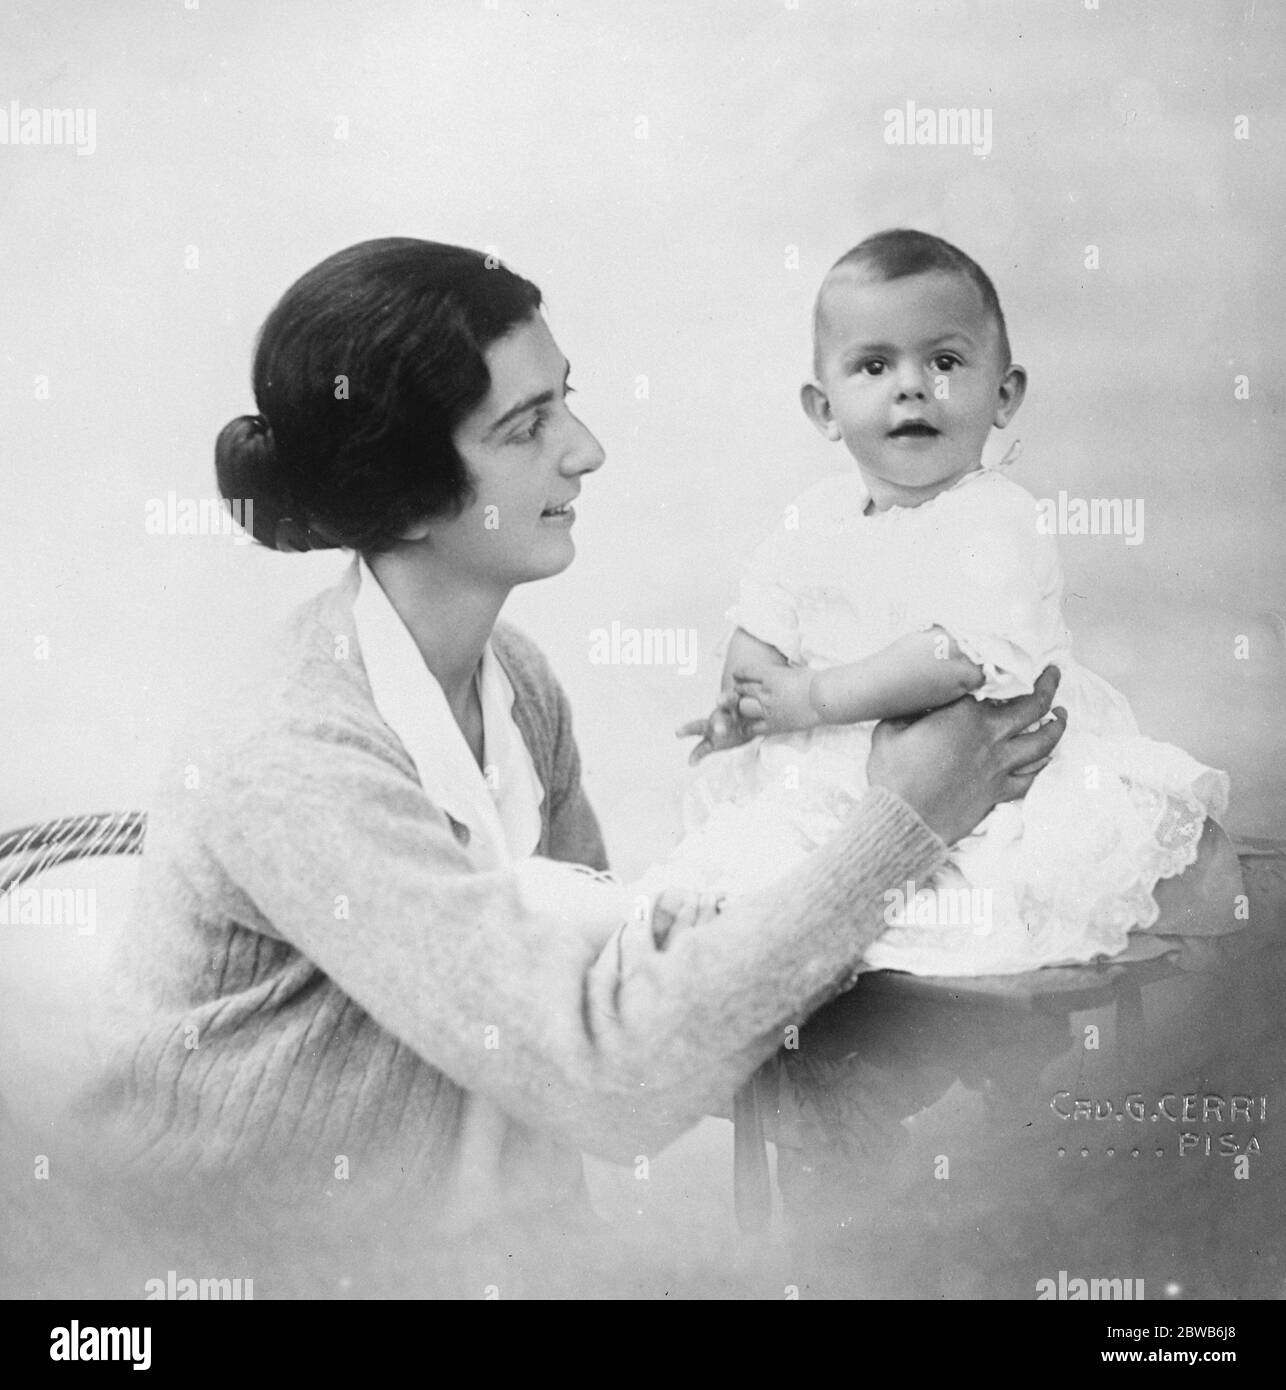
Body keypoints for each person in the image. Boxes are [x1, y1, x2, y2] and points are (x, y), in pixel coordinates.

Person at [73, 238, 1068, 1254]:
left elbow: (619, 983)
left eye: (566, 398)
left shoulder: (518, 686)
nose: (585, 448)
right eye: (525, 426)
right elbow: (605, 1079)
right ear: (406, 494)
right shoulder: (290, 753)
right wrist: (902, 822)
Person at [669, 229, 1241, 976]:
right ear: (824, 408)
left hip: (984, 772)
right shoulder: (814, 519)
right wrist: (741, 700)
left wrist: (810, 695)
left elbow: (954, 660)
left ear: (1004, 395)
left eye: (944, 361)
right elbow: (763, 626)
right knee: (757, 865)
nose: (912, 387)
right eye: (874, 365)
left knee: (1002, 892)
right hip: (842, 773)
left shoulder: (993, 517)